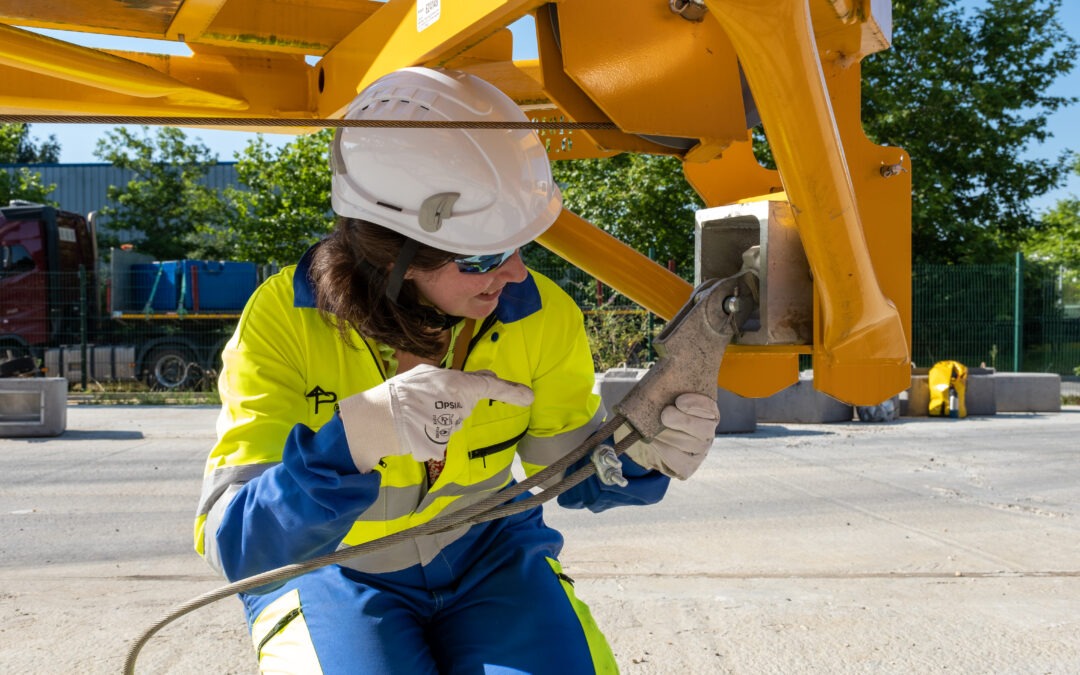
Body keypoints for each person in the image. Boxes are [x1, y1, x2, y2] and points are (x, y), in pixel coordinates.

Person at [194, 66, 721, 674]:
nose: (517, 274)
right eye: (484, 256)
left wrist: (640, 453)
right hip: (332, 568)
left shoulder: (540, 315)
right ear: (393, 255)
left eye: (520, 245)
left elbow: (570, 475)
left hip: (491, 555)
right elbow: (236, 544)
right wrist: (356, 437)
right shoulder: (285, 322)